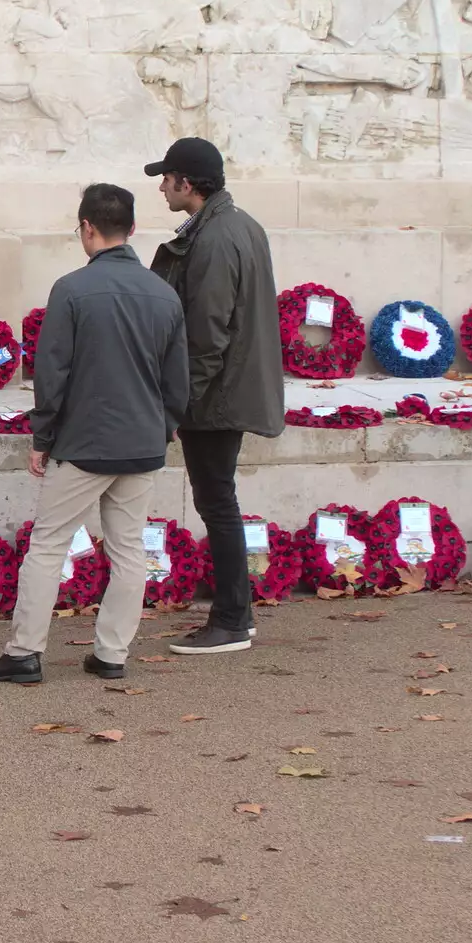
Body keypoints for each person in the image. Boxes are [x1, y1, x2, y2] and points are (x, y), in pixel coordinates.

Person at [0, 183, 188, 684]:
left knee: (48, 546)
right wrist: (163, 428)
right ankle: (112, 653)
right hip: (141, 442)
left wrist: (42, 438)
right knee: (129, 549)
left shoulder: (71, 289)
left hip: (84, 443)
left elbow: (53, 374)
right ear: (132, 229)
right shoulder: (164, 293)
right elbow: (178, 381)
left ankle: (25, 651)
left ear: (87, 228)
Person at [147, 137, 284, 656]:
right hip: (227, 388)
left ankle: (230, 619)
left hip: (216, 396)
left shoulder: (214, 238)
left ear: (188, 183)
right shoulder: (237, 224)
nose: (161, 187)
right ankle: (236, 614)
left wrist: (175, 406)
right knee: (220, 500)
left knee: (217, 502)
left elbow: (207, 334)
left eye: (167, 178)